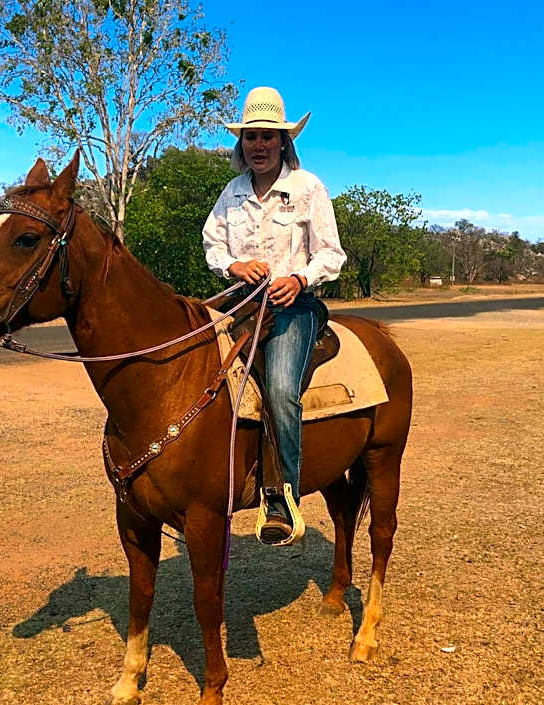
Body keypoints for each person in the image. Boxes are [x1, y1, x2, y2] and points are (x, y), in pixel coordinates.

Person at [202, 86, 346, 544]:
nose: (259, 145)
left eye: (268, 137)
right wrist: (235, 266)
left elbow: (331, 254)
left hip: (292, 306)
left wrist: (299, 279)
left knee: (281, 388)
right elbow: (213, 244)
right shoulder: (232, 192)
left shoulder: (307, 188)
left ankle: (284, 497)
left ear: (285, 142)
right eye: (251, 137)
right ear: (241, 143)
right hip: (242, 302)